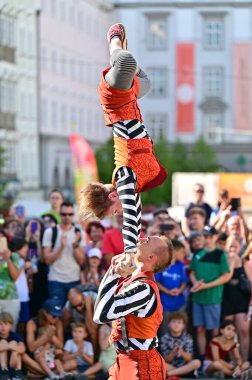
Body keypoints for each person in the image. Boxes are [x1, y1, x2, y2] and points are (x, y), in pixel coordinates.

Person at [79, 23, 167, 269]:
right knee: (146, 81)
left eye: (114, 211)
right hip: (130, 100)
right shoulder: (133, 186)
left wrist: (129, 252)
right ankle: (124, 62)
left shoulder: (125, 177)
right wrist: (138, 248)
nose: (119, 214)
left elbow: (129, 216)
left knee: (126, 61)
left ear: (114, 196)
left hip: (115, 100)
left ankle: (114, 41)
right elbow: (135, 216)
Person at [94, 235, 173, 380]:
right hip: (127, 360)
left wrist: (114, 273)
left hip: (139, 364)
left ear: (151, 257)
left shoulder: (144, 288)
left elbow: (101, 315)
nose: (141, 239)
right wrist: (114, 268)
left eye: (147, 241)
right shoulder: (134, 281)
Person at [189, 225, 231, 364]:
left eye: (208, 236)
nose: (206, 239)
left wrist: (207, 286)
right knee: (200, 329)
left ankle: (214, 359)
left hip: (213, 298)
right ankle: (202, 359)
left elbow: (226, 276)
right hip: (198, 298)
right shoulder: (198, 253)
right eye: (204, 236)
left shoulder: (221, 254)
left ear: (215, 237)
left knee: (214, 330)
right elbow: (192, 272)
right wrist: (196, 284)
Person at [43, 201, 86, 306]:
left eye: (70, 214)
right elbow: (47, 259)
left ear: (73, 215)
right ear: (59, 215)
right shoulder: (50, 232)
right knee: (55, 313)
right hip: (55, 280)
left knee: (71, 316)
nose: (67, 217)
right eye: (64, 214)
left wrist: (75, 244)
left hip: (74, 280)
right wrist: (61, 247)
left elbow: (81, 261)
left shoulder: (79, 233)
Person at [222, 235, 252, 361]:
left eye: (235, 246)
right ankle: (231, 362)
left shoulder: (244, 263)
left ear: (240, 248)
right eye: (230, 246)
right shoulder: (223, 261)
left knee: (244, 330)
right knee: (228, 332)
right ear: (226, 247)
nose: (233, 249)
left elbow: (251, 282)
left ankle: (244, 361)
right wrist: (231, 263)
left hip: (241, 300)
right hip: (226, 299)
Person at [155, 240, 188, 337]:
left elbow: (184, 282)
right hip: (165, 305)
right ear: (175, 251)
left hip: (179, 304)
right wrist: (168, 291)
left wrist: (180, 290)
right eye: (182, 252)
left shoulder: (180, 266)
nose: (184, 255)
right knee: (165, 331)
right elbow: (156, 282)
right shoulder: (162, 264)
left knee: (181, 330)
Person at [26, 299, 64, 380]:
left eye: (58, 316)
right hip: (38, 358)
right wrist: (46, 336)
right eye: (54, 316)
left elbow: (61, 346)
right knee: (24, 356)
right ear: (45, 312)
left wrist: (52, 337)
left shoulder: (58, 322)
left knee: (67, 359)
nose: (56, 318)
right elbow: (31, 348)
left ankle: (41, 375)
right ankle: (53, 374)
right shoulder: (32, 323)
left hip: (52, 358)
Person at [160, 311, 201, 378]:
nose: (176, 325)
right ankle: (182, 373)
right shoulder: (164, 338)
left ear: (183, 326)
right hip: (170, 366)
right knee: (159, 363)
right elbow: (166, 359)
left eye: (179, 322)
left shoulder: (188, 337)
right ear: (168, 324)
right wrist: (173, 353)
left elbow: (189, 358)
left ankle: (168, 374)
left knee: (197, 362)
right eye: (174, 322)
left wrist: (181, 352)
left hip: (185, 365)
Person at [0, 231, 20, 330]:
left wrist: (8, 259)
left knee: (10, 329)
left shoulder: (14, 256)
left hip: (10, 298)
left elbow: (15, 277)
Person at [0, 312, 26, 380]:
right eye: (0, 324)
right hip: (1, 363)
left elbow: (23, 349)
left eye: (6, 324)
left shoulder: (15, 336)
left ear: (11, 326)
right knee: (3, 342)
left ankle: (18, 372)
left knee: (14, 343)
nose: (3, 326)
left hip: (13, 362)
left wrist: (14, 349)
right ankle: (4, 371)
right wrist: (9, 346)